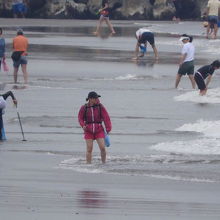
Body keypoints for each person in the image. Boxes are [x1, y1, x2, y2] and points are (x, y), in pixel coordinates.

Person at [78, 91, 112, 164]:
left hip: (99, 130)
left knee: (102, 148)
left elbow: (106, 117)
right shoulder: (84, 108)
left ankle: (104, 163)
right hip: (88, 130)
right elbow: (80, 118)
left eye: (97, 98)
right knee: (89, 149)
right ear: (90, 99)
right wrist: (83, 125)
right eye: (95, 98)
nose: (97, 99)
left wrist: (108, 128)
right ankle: (88, 165)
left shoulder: (100, 106)